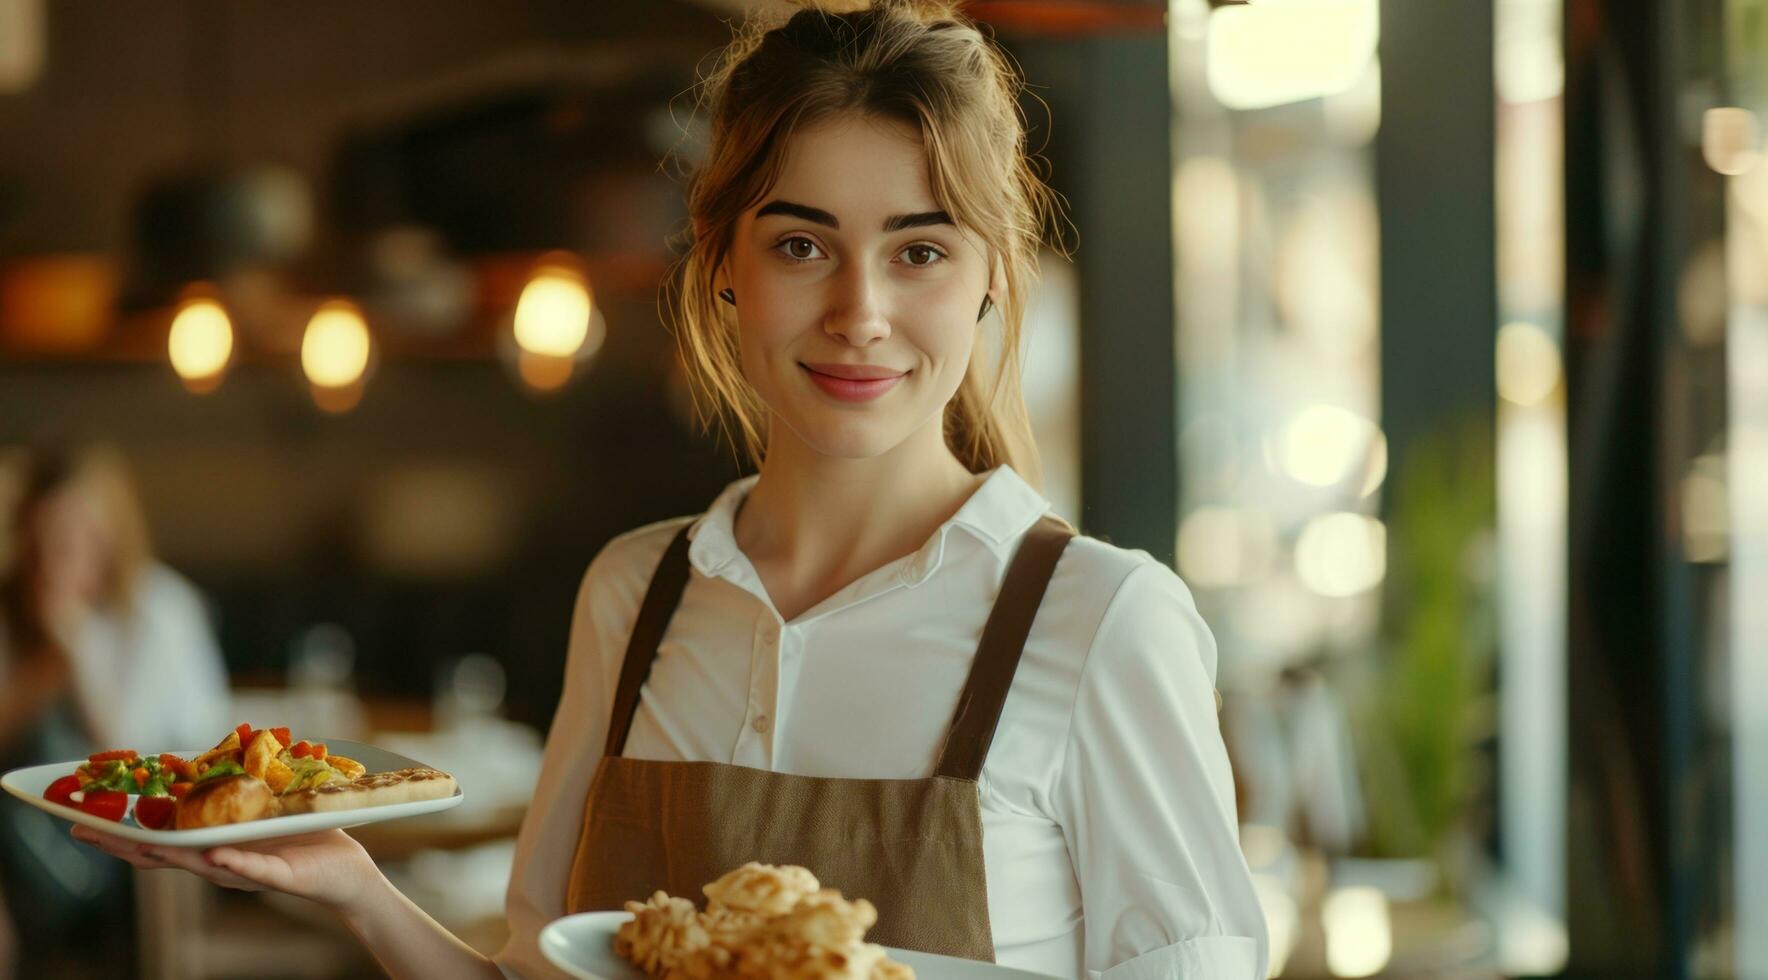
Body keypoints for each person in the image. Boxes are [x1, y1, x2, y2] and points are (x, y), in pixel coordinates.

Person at [70, 3, 1270, 977]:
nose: (860, 313)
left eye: (920, 249)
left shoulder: (1103, 620)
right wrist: (350, 888)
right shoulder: (634, 594)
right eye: (801, 243)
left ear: (991, 280)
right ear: (724, 267)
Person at [0, 444, 232, 976]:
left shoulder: (162, 613)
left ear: (112, 536)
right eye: (43, 541)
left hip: (134, 840)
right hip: (24, 838)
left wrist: (74, 651)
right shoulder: (12, 611)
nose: (58, 560)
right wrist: (44, 665)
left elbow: (136, 759)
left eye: (76, 538)